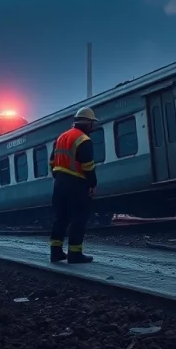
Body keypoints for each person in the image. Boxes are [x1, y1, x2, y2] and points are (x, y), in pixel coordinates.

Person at [48, 106, 99, 264]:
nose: (93, 127)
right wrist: (92, 183)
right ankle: (74, 254)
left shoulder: (61, 138)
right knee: (79, 217)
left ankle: (55, 253)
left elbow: (51, 162)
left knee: (60, 218)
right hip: (76, 183)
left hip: (59, 183)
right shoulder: (84, 140)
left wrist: (58, 175)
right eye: (92, 124)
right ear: (88, 124)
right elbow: (87, 166)